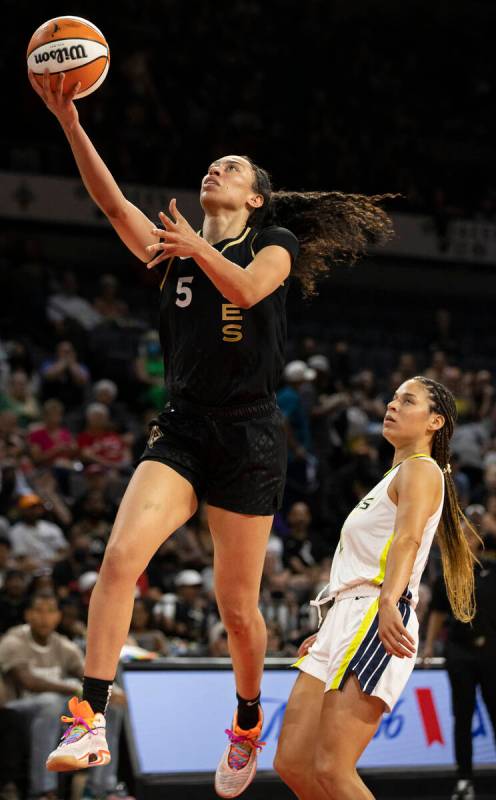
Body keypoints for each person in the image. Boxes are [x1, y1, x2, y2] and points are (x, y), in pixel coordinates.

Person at [28, 66, 396, 798]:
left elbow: (250, 290)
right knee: (118, 561)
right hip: (186, 430)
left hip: (252, 438)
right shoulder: (175, 252)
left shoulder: (274, 240)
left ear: (253, 198)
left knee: (237, 609)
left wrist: (196, 248)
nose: (213, 169)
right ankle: (89, 716)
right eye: (210, 164)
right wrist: (70, 121)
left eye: (229, 168)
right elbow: (109, 203)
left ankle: (248, 720)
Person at [275, 377, 479, 800]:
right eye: (392, 398)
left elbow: (406, 540)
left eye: (408, 401)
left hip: (377, 611)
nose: (392, 405)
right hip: (346, 618)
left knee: (333, 769)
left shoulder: (421, 469)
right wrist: (330, 625)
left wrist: (388, 601)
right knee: (292, 763)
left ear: (434, 421)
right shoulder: (391, 477)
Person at [0, 591, 125, 800]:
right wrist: (73, 689)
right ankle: (43, 790)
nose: (44, 618)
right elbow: (27, 680)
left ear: (58, 616)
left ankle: (100, 788)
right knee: (51, 703)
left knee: (109, 708)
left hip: (55, 709)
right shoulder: (14, 640)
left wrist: (114, 691)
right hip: (17, 708)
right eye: (38, 611)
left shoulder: (64, 646)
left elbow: (87, 673)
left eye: (50, 612)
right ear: (28, 615)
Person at [423, 531, 496, 800]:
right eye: (461, 534)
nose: (464, 538)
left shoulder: (492, 569)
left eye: (469, 533)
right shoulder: (448, 574)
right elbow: (438, 613)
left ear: (479, 539)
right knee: (461, 718)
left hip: (491, 652)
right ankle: (464, 779)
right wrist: (429, 645)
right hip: (460, 652)